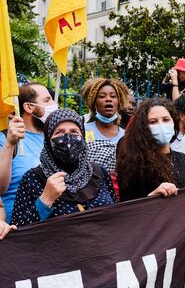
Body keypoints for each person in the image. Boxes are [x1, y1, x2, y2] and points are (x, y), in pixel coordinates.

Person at [10, 109, 116, 227]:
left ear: (83, 137)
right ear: (48, 141)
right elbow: (18, 231)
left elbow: (116, 217)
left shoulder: (99, 173)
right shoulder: (33, 178)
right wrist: (45, 200)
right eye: (59, 132)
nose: (67, 138)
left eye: (74, 132)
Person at [116, 98, 185, 201]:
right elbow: (127, 208)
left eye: (166, 120)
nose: (161, 125)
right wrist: (152, 197)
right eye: (153, 122)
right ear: (144, 128)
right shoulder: (133, 163)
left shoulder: (184, 160)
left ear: (174, 122)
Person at [0, 83, 57, 223]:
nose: (54, 104)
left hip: (54, 227)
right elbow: (1, 188)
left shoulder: (56, 137)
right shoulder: (5, 139)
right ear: (29, 107)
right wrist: (9, 145)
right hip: (17, 229)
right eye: (47, 100)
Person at [84, 78, 129, 144]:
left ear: (119, 102)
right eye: (102, 96)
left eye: (113, 96)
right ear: (94, 103)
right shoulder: (84, 131)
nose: (108, 99)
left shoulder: (126, 136)